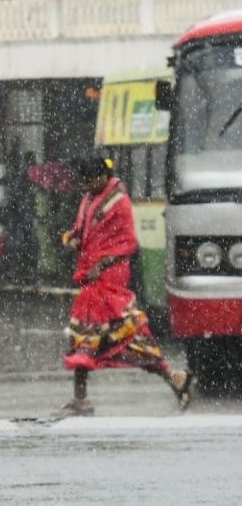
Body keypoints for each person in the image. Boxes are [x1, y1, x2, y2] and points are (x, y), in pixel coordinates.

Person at [59, 155, 192, 416]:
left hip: (109, 280)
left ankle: (82, 398)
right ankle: (82, 398)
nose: (87, 186)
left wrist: (103, 263)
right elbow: (83, 231)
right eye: (84, 182)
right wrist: (74, 240)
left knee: (112, 336)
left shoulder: (119, 203)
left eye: (91, 180)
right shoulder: (90, 198)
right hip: (92, 280)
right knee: (97, 337)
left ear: (103, 176)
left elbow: (127, 244)